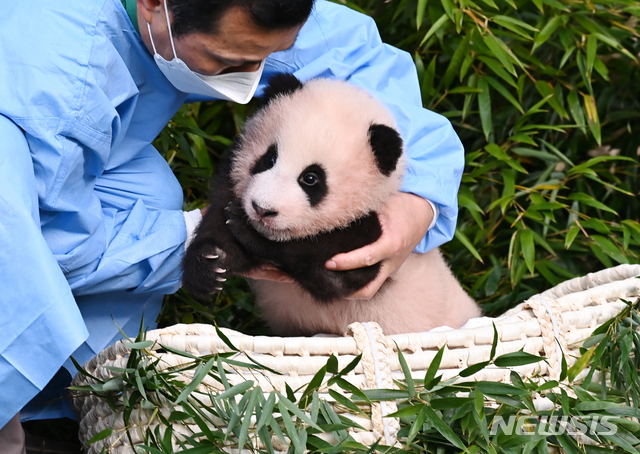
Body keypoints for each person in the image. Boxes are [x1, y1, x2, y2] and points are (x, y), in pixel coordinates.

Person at [0, 0, 464, 450]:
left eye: (262, 59)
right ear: (153, 4)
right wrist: (207, 236)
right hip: (19, 171)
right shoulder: (57, 82)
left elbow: (357, 61)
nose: (249, 75)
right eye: (226, 59)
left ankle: (64, 404)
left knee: (150, 194)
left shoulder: (245, 12)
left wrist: (417, 198)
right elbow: (51, 243)